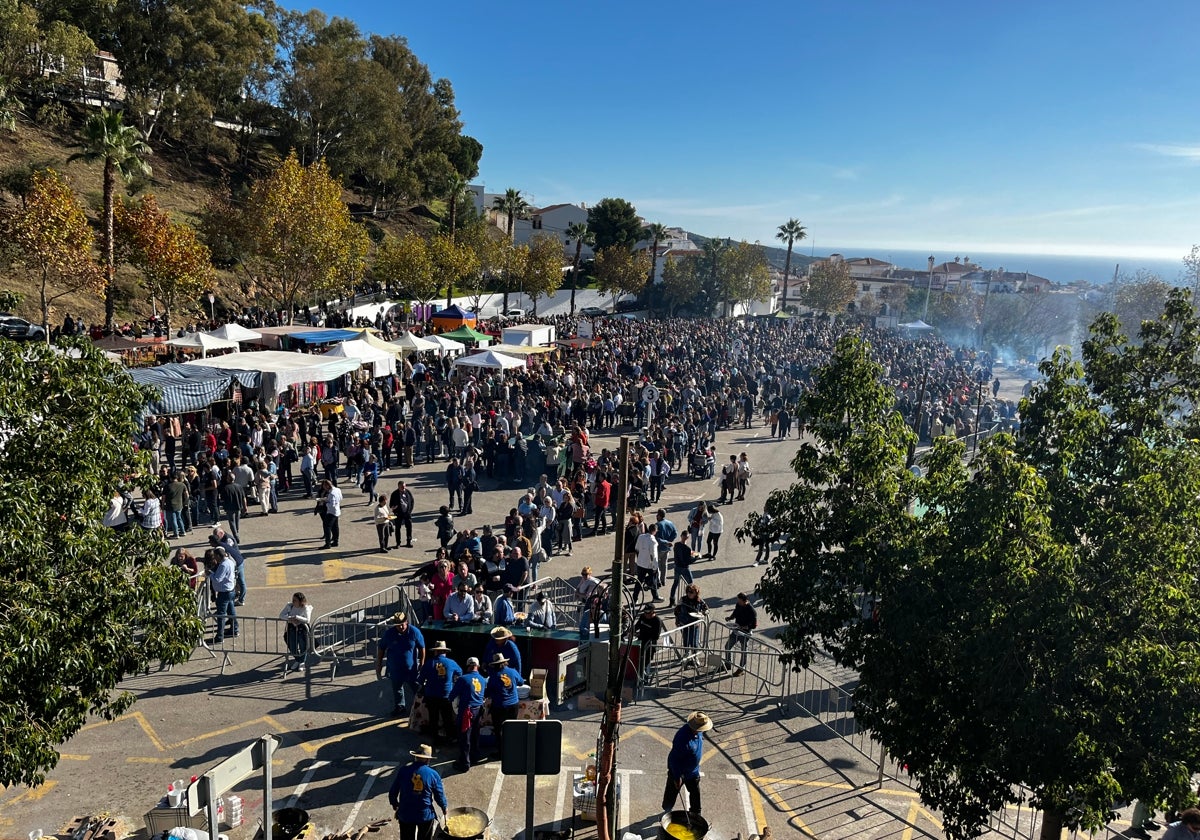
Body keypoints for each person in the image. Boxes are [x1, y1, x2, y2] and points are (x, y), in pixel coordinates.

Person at [388, 744, 447, 840]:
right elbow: (439, 795)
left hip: (405, 814)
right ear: (428, 760)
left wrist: (395, 805)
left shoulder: (403, 771)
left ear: (415, 757)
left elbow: (393, 792)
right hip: (425, 815)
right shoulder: (433, 774)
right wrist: (444, 807)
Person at [661, 711, 713, 817]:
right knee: (671, 793)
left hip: (693, 772)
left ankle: (696, 813)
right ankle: (666, 812)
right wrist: (676, 777)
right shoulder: (682, 739)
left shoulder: (698, 732)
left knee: (695, 794)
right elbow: (674, 760)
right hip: (679, 773)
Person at [376, 611, 426, 717]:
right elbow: (381, 648)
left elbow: (422, 647)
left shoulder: (414, 632)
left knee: (417, 688)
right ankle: (400, 707)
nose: (401, 627)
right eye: (398, 625)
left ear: (406, 622)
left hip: (411, 670)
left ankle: (422, 707)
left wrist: (422, 662)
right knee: (397, 688)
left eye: (403, 624)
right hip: (395, 669)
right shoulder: (389, 634)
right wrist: (379, 664)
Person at [417, 640, 462, 745]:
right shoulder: (451, 663)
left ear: (435, 652)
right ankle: (450, 737)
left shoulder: (429, 663)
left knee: (433, 718)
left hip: (431, 695)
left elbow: (420, 680)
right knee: (447, 718)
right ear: (444, 652)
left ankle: (435, 738)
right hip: (446, 695)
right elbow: (460, 673)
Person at [485, 652, 525, 758]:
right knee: (511, 728)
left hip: (499, 707)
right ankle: (513, 750)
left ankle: (501, 753)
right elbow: (521, 682)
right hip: (513, 705)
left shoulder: (493, 676)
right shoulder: (512, 671)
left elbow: (488, 692)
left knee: (499, 731)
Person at [449, 657, 486, 771]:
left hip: (466, 712)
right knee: (475, 735)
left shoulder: (463, 679)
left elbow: (452, 695)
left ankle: (465, 763)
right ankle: (475, 756)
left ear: (468, 666)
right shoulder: (483, 679)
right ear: (478, 666)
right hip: (478, 710)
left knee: (465, 738)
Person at [208, 547, 238, 643]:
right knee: (231, 612)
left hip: (224, 592)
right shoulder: (230, 562)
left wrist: (210, 574)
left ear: (218, 556)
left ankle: (219, 636)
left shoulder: (223, 565)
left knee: (221, 615)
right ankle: (235, 629)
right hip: (230, 590)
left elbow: (217, 579)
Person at [210, 526, 246, 605]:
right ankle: (240, 598)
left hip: (236, 563)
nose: (210, 544)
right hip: (239, 560)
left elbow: (224, 557)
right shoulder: (222, 543)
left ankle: (239, 599)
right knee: (240, 581)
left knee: (236, 581)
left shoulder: (222, 546)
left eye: (210, 542)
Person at [279, 592, 312, 673]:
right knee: (292, 646)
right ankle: (298, 660)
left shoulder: (306, 608)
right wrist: (290, 618)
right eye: (293, 600)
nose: (293, 602)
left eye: (295, 600)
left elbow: (307, 619)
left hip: (302, 630)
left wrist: (297, 617)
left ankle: (302, 662)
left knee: (302, 646)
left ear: (300, 601)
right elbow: (281, 615)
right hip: (292, 629)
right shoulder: (289, 606)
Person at [725, 592, 757, 673]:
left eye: (739, 600)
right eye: (738, 600)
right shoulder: (738, 605)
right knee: (727, 646)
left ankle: (741, 668)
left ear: (745, 601)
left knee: (743, 651)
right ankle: (728, 664)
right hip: (736, 630)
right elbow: (735, 612)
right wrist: (730, 618)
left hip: (744, 633)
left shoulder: (751, 611)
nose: (738, 602)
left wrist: (745, 627)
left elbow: (754, 625)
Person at [633, 603, 666, 684]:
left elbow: (656, 636)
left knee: (646, 663)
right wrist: (630, 631)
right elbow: (636, 626)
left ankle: (645, 681)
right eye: (645, 612)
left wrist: (641, 634)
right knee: (639, 662)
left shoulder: (657, 621)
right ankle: (638, 679)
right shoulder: (642, 617)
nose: (646, 615)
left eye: (648, 613)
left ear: (653, 612)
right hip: (640, 644)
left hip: (650, 645)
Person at [634, 523, 662, 602]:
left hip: (640, 562)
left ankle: (634, 598)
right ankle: (655, 596)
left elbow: (637, 548)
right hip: (649, 565)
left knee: (638, 581)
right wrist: (655, 566)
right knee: (653, 580)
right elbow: (653, 555)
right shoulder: (653, 541)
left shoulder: (641, 537)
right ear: (654, 531)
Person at [674, 584, 708, 649]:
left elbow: (706, 609)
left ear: (696, 593)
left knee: (694, 642)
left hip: (694, 624)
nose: (689, 593)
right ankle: (686, 653)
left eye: (691, 592)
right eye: (688, 592)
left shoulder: (699, 601)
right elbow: (676, 610)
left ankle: (695, 655)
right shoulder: (683, 599)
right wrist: (677, 620)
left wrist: (704, 613)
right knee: (685, 641)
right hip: (684, 623)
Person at [669, 534, 699, 605]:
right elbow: (688, 560)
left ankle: (672, 600)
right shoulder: (687, 548)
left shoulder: (676, 545)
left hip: (677, 567)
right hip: (685, 568)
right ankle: (690, 599)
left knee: (675, 583)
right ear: (688, 537)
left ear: (681, 536)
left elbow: (679, 555)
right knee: (691, 584)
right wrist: (695, 558)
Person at [389, 480, 417, 547]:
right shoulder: (395, 494)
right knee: (398, 528)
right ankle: (398, 543)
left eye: (404, 486)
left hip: (407, 513)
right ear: (398, 487)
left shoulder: (408, 492)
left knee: (409, 527)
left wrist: (410, 510)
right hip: (398, 514)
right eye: (402, 487)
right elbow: (391, 504)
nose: (403, 488)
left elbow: (412, 501)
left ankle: (408, 542)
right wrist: (394, 509)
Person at [318, 479, 343, 548]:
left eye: (324, 487)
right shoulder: (338, 489)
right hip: (337, 511)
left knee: (327, 527)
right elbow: (341, 498)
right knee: (335, 527)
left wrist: (325, 502)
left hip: (331, 512)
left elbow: (331, 505)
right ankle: (335, 541)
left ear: (327, 486)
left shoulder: (331, 494)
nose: (324, 489)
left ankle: (327, 543)